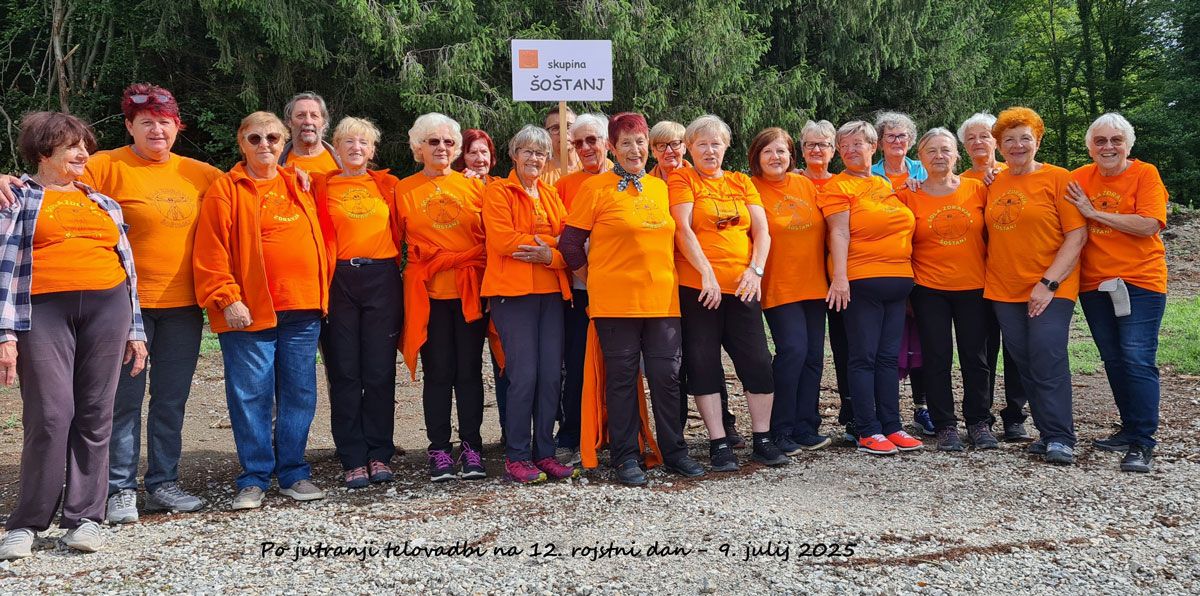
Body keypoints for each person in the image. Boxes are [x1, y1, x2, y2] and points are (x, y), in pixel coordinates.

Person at [0, 112, 148, 560]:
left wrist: (136, 331)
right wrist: (5, 333)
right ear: (44, 152)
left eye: (86, 146)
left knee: (96, 414)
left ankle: (85, 518)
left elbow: (128, 270)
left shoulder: (103, 203)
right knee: (49, 415)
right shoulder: (15, 196)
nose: (84, 154)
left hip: (109, 309)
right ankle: (27, 523)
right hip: (42, 311)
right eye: (73, 147)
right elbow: (3, 267)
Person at [193, 111, 330, 509]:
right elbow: (210, 250)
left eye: (272, 137)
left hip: (303, 308)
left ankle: (293, 472)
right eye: (255, 138)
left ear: (284, 142)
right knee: (251, 395)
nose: (264, 144)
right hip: (249, 310)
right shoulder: (226, 189)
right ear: (242, 143)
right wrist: (227, 297)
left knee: (299, 394)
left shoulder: (299, 182)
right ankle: (253, 477)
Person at [559, 112, 705, 485]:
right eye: (626, 143)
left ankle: (674, 451)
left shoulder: (662, 186)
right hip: (615, 304)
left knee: (667, 377)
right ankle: (626, 456)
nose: (635, 149)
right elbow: (570, 245)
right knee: (622, 379)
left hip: (662, 301)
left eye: (640, 142)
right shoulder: (595, 188)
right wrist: (593, 280)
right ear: (612, 147)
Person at [668, 114, 788, 471]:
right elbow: (683, 229)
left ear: (726, 147)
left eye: (716, 144)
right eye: (702, 144)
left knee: (758, 362)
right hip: (699, 289)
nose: (710, 150)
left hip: (743, 285)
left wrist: (756, 269)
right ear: (690, 148)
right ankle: (718, 442)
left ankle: (762, 438)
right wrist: (705, 272)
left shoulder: (740, 181)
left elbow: (762, 231)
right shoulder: (683, 179)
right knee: (703, 363)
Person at [984, 107, 1087, 465]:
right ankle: (1047, 432)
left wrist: (1048, 282)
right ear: (999, 147)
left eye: (1025, 138)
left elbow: (1076, 235)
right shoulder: (995, 182)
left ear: (1038, 141)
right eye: (1009, 140)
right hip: (1004, 288)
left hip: (1052, 286)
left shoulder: (1059, 178)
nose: (1017, 145)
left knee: (1047, 353)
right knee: (1024, 360)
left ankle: (1061, 437)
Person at [1067, 112, 1169, 473]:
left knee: (1136, 357)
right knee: (1112, 358)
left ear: (1128, 144)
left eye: (1116, 140)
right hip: (1094, 284)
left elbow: (1148, 224)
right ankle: (1129, 428)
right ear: (1090, 147)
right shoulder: (1079, 177)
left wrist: (1093, 213)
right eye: (1100, 141)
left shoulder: (1145, 174)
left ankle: (1143, 442)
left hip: (1140, 281)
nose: (1108, 147)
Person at [819, 120, 923, 456]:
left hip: (898, 282)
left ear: (872, 147)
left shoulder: (883, 184)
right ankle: (867, 429)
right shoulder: (838, 186)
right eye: (844, 145)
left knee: (888, 358)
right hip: (861, 281)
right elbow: (838, 233)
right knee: (863, 357)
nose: (851, 150)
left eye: (858, 144)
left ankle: (892, 425)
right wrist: (840, 278)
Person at [481, 124, 578, 484]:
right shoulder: (498, 192)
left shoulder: (551, 194)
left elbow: (569, 243)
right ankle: (517, 456)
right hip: (512, 294)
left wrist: (548, 253)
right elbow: (503, 240)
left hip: (551, 293)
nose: (534, 158)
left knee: (551, 376)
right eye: (527, 151)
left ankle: (545, 453)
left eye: (540, 152)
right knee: (524, 375)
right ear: (514, 154)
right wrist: (548, 243)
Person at [396, 113, 489, 483]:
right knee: (437, 373)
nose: (441, 148)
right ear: (418, 147)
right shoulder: (403, 189)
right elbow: (393, 243)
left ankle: (472, 446)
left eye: (449, 142)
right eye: (433, 141)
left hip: (468, 292)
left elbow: (490, 235)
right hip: (428, 294)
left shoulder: (475, 187)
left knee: (469, 372)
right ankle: (438, 448)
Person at [312, 117, 403, 488]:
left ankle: (379, 452)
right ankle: (351, 456)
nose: (356, 148)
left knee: (380, 370)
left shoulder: (388, 185)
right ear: (335, 147)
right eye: (348, 141)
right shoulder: (319, 185)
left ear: (372, 150)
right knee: (345, 371)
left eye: (363, 142)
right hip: (339, 278)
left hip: (382, 278)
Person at [897, 128, 999, 452]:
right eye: (931, 151)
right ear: (920, 158)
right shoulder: (908, 194)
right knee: (936, 357)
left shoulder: (977, 188)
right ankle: (945, 425)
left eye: (946, 150)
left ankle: (979, 422)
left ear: (957, 154)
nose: (939, 156)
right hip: (929, 289)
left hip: (974, 286)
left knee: (976, 357)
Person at [651, 119, 741, 445]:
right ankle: (675, 434)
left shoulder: (698, 177)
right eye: (661, 145)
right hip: (664, 280)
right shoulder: (647, 183)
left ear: (686, 146)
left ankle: (725, 423)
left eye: (675, 143)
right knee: (674, 359)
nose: (669, 151)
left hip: (699, 280)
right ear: (653, 151)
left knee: (706, 355)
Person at [748, 127, 831, 453]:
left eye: (781, 151)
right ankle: (778, 429)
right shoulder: (751, 188)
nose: (775, 157)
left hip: (814, 283)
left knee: (813, 357)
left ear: (791, 156)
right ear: (756, 156)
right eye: (767, 151)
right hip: (779, 284)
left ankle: (805, 426)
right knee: (793, 351)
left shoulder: (804, 184)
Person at [957, 112, 1029, 441]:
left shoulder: (1011, 174)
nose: (978, 142)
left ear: (997, 141)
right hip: (975, 279)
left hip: (1012, 275)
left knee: (1016, 349)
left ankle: (1015, 416)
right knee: (981, 351)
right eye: (970, 138)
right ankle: (980, 418)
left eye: (984, 136)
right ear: (964, 146)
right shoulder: (959, 181)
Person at [554, 113, 614, 465]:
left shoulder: (627, 178)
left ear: (608, 142)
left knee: (620, 366)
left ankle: (617, 433)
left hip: (621, 291)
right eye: (578, 143)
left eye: (592, 140)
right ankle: (572, 435)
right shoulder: (565, 185)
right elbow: (559, 236)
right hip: (580, 289)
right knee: (576, 364)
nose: (586, 148)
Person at [870, 111, 932, 434]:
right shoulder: (869, 174)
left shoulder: (925, 170)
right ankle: (885, 409)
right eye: (890, 136)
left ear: (911, 141)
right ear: (880, 143)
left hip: (923, 264)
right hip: (885, 266)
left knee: (923, 338)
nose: (897, 141)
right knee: (887, 343)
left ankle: (923, 407)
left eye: (902, 136)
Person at [451, 128, 508, 432]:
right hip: (468, 283)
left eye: (484, 152)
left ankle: (510, 427)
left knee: (505, 356)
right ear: (462, 157)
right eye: (472, 152)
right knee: (468, 362)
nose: (479, 158)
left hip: (501, 281)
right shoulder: (454, 187)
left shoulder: (502, 187)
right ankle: (470, 435)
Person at [279, 92, 341, 174]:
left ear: (324, 123)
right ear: (289, 122)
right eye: (300, 115)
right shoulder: (276, 162)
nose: (308, 121)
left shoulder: (342, 161)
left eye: (314, 115)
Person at [539, 104, 579, 186]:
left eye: (568, 126)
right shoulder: (538, 173)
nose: (562, 132)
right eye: (555, 128)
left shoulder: (598, 166)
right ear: (547, 134)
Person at [797, 119, 837, 187]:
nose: (816, 150)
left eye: (823, 145)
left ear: (832, 151)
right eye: (810, 144)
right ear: (803, 150)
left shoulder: (841, 184)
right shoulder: (791, 182)